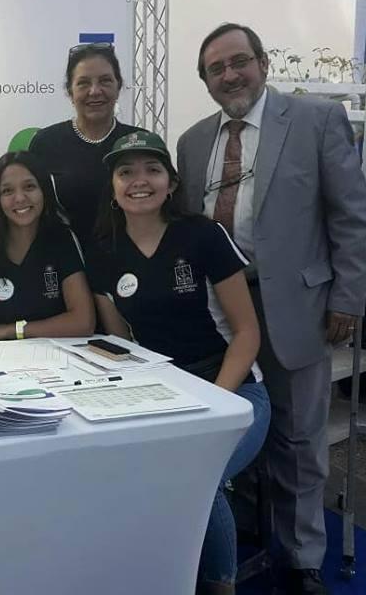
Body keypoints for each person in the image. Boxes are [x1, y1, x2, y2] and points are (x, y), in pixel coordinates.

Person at [176, 23, 366, 595]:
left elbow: (352, 218)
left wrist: (348, 297)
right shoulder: (192, 142)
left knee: (296, 437)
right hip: (219, 312)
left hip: (299, 307)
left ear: (262, 63)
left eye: (239, 61)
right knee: (231, 428)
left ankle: (301, 557)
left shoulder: (316, 120)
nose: (230, 75)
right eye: (216, 69)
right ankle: (241, 534)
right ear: (205, 80)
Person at [87, 131, 269, 594]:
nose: (139, 181)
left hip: (234, 389)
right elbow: (120, 340)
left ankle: (217, 585)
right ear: (112, 185)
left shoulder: (203, 236)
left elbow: (247, 334)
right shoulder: (105, 253)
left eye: (151, 170)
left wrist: (215, 403)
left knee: (195, 475)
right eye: (125, 172)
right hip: (163, 395)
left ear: (171, 181)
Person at [0, 150, 94, 344]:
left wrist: (8, 331)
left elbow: (83, 322)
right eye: (7, 191)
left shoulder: (62, 238)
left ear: (44, 191)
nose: (20, 198)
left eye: (29, 187)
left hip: (52, 355)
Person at [29, 41, 147, 242]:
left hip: (132, 262)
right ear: (70, 91)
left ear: (118, 87)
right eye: (83, 83)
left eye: (105, 81)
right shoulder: (46, 143)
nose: (94, 91)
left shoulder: (139, 141)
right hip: (66, 262)